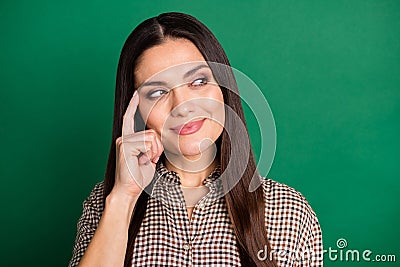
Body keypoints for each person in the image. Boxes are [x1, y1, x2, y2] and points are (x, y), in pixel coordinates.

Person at [68, 12, 323, 267]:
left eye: (198, 81)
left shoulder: (290, 213)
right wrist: (123, 198)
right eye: (157, 92)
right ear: (135, 112)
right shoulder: (105, 203)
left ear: (223, 89)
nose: (182, 106)